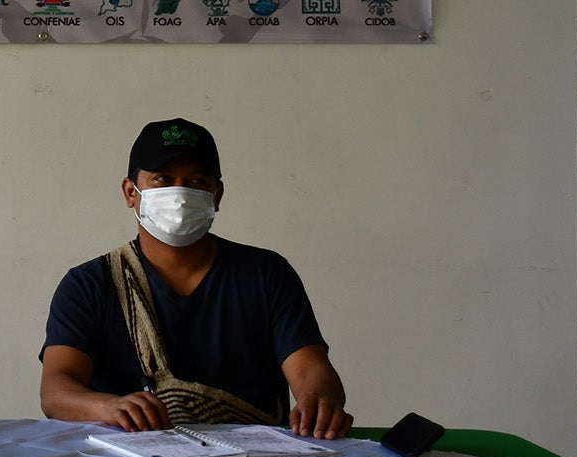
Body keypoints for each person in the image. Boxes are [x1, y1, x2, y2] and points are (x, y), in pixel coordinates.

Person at [39, 117, 351, 438]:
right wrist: (106, 408)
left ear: (217, 195)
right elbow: (56, 389)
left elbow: (310, 367)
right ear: (131, 192)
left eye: (197, 181)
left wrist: (319, 402)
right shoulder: (90, 285)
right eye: (163, 178)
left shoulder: (266, 274)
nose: (180, 194)